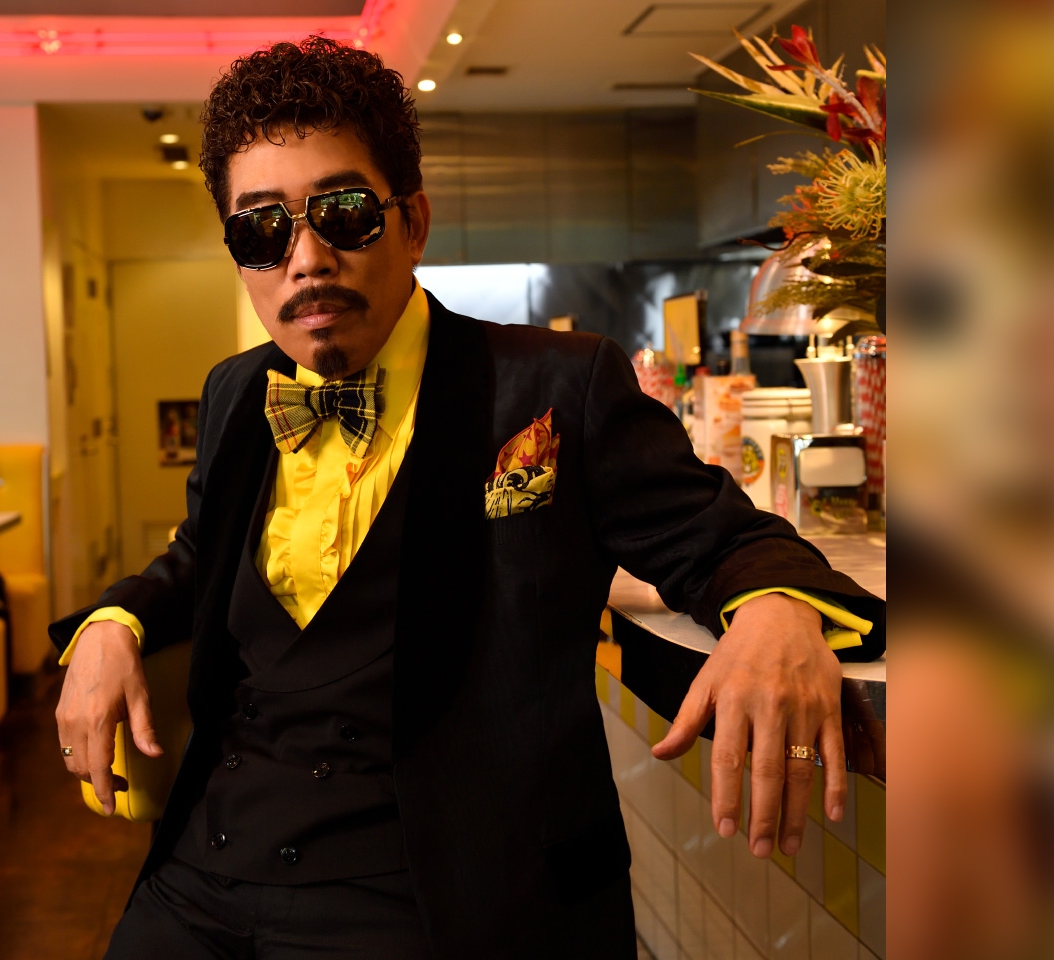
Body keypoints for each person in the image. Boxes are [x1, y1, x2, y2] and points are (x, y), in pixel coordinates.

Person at [50, 37, 885, 959]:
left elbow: (724, 539)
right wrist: (111, 622)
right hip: (202, 881)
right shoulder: (235, 393)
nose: (307, 258)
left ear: (412, 221)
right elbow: (198, 557)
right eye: (262, 229)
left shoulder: (557, 388)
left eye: (343, 213)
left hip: (436, 896)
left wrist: (773, 611)